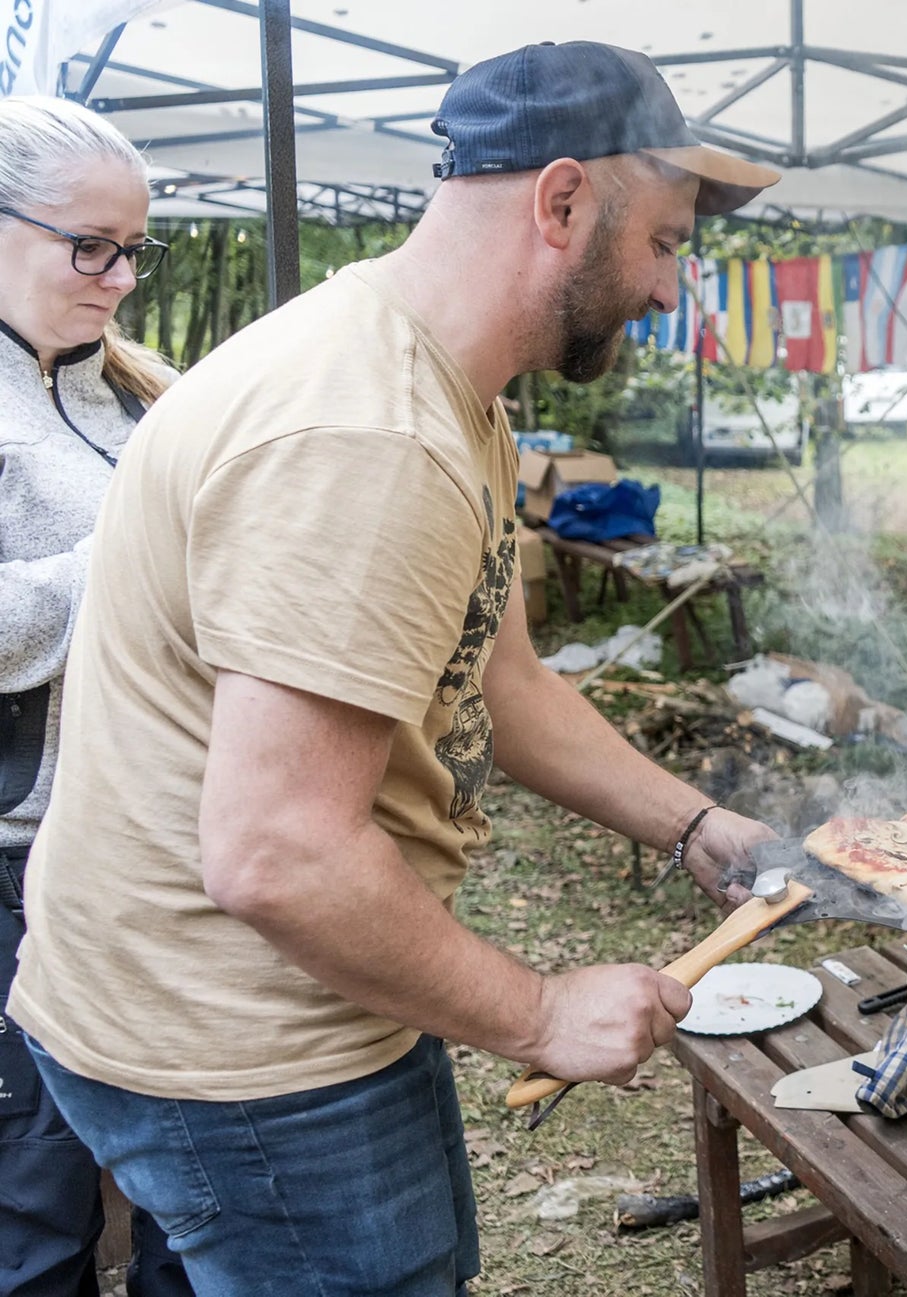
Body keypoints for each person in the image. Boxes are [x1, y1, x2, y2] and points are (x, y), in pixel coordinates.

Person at [9, 43, 782, 1296]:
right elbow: (279, 853)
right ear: (562, 201)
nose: (665, 286)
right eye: (664, 241)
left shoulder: (446, 388)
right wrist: (541, 1012)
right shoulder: (367, 432)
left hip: (298, 981)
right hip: (244, 1040)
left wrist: (697, 825)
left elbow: (500, 680)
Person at [0, 96, 195, 1297]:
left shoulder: (143, 393)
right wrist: (126, 555)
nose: (120, 279)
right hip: (22, 874)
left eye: (133, 249)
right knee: (33, 1210)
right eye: (90, 247)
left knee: (188, 1195)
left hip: (166, 861)